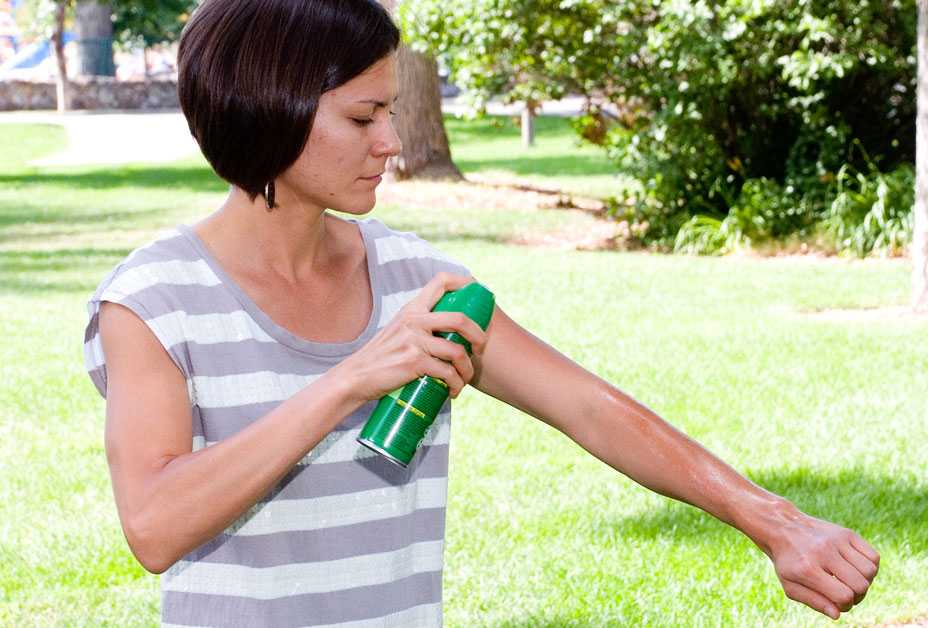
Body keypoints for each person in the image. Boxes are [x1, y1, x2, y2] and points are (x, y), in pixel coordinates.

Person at [82, 0, 879, 626]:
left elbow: (589, 408)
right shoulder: (154, 300)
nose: (391, 141)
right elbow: (154, 525)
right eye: (362, 118)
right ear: (268, 111)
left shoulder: (419, 283)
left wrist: (774, 522)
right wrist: (350, 380)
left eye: (391, 111)